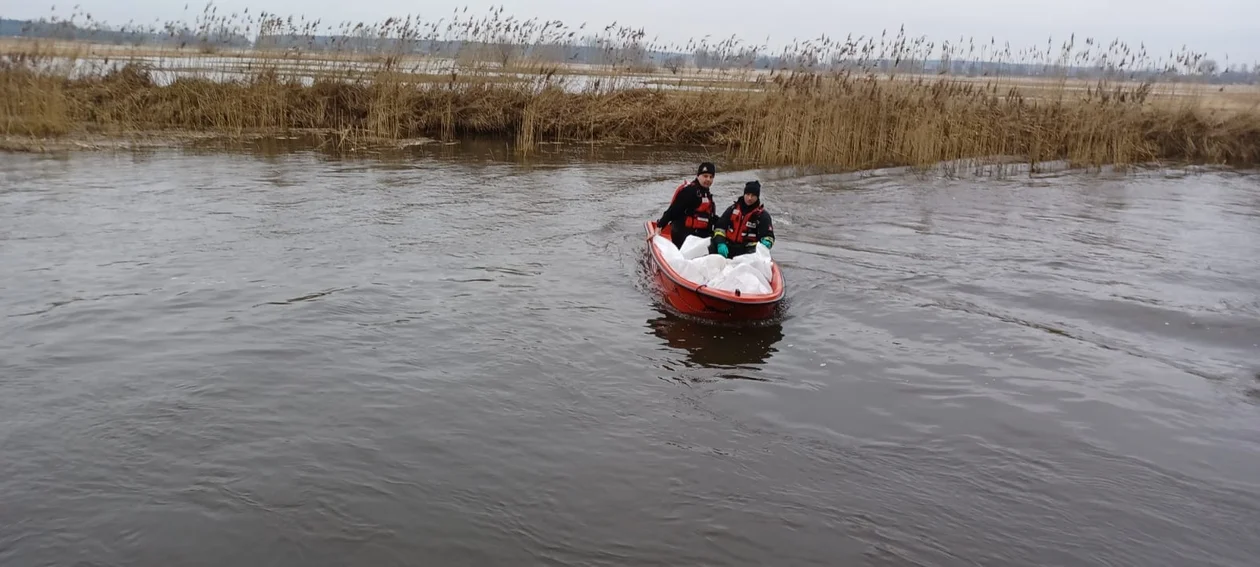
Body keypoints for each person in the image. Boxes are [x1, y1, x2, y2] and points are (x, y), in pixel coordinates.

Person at [654, 162, 717, 248]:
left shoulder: (707, 195)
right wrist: (659, 227)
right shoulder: (689, 191)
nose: (708, 179)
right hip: (684, 236)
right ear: (698, 176)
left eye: (711, 177)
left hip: (699, 235)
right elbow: (672, 211)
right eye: (705, 176)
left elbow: (711, 217)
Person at [710, 180, 775, 259]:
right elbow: (719, 228)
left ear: (757, 197)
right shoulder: (732, 210)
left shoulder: (762, 216)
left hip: (748, 253)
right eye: (747, 194)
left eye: (753, 195)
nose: (749, 198)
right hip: (727, 249)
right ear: (744, 194)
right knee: (712, 245)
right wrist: (720, 243)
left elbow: (769, 236)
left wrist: (767, 242)